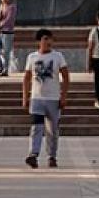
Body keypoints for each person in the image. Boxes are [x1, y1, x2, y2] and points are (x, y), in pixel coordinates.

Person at [22, 27, 69, 168]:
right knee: (36, 127)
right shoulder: (32, 57)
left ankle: (52, 156)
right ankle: (33, 154)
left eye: (50, 39)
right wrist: (25, 97)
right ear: (39, 41)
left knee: (52, 130)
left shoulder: (58, 56)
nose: (48, 42)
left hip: (53, 98)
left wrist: (63, 96)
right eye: (45, 39)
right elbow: (26, 78)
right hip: (37, 98)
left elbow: (66, 77)